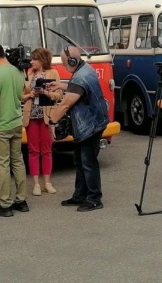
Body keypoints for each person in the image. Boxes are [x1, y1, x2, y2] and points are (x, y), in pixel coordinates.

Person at [46, 46, 110, 212]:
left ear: (72, 61)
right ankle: (80, 195)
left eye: (65, 63)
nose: (64, 65)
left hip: (91, 126)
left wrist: (52, 121)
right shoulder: (84, 69)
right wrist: (61, 85)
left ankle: (94, 198)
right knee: (80, 161)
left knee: (87, 162)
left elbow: (67, 103)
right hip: (90, 124)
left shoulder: (81, 76)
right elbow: (77, 87)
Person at [0, 43, 28, 217]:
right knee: (18, 161)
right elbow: (20, 96)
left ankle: (5, 204)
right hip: (17, 124)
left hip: (2, 126)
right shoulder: (18, 72)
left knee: (2, 164)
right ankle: (22, 200)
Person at [21, 47, 62, 196]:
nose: (31, 62)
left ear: (42, 60)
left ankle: (47, 183)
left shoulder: (53, 73)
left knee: (47, 150)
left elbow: (59, 95)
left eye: (34, 59)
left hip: (46, 116)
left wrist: (45, 92)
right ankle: (36, 184)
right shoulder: (28, 75)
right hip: (31, 116)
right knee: (33, 150)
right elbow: (20, 95)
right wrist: (29, 95)